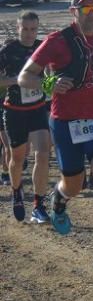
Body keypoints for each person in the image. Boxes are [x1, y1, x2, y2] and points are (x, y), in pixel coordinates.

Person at [19, 0, 93, 272]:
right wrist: (48, 84)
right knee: (74, 185)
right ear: (73, 11)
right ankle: (60, 197)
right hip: (66, 122)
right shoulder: (57, 41)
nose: (92, 15)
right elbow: (24, 76)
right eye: (85, 9)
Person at [0, 11, 51, 223]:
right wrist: (16, 80)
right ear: (18, 28)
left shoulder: (43, 47)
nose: (30, 34)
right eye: (25, 29)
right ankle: (16, 190)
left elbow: (51, 71)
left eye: (34, 29)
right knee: (18, 158)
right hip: (14, 111)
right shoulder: (7, 50)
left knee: (43, 153)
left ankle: (38, 204)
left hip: (38, 109)